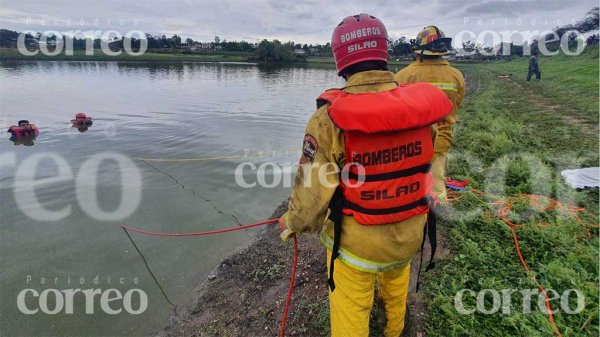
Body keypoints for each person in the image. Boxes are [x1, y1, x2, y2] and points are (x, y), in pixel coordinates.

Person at [278, 14, 453, 337]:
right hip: (409, 233)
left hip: (356, 245)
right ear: (383, 53)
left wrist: (292, 223)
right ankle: (394, 329)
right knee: (396, 287)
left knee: (351, 307)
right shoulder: (420, 111)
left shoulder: (328, 119)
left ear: (340, 60)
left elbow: (312, 192)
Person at [395, 26, 465, 202]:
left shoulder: (403, 76)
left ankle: (417, 216)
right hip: (442, 140)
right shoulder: (456, 76)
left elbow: (395, 112)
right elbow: (457, 104)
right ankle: (437, 211)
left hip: (410, 144)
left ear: (419, 50)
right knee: (437, 183)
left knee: (408, 186)